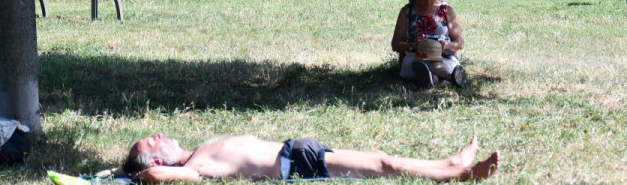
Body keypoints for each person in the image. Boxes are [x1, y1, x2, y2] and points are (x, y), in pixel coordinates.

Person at [122, 132, 499, 183]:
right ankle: (460, 172)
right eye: (150, 144)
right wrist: (130, 179)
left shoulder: (198, 149)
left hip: (297, 149)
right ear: (157, 162)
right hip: (297, 163)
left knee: (380, 157)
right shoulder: (194, 166)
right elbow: (156, 180)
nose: (157, 136)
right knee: (385, 166)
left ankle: (452, 164)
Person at [391, 0, 469, 88]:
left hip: (444, 57)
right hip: (415, 57)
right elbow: (395, 45)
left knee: (436, 65)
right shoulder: (407, 11)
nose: (428, 1)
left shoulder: (446, 10)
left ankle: (432, 80)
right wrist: (414, 46)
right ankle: (451, 77)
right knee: (421, 63)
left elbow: (460, 43)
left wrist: (447, 45)